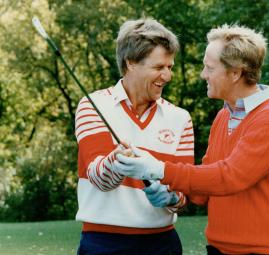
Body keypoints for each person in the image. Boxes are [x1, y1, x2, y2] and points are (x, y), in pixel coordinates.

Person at [113, 24, 269, 255]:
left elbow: (230, 177)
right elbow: (205, 189)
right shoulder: (224, 116)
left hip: (265, 251)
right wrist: (171, 194)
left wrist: (159, 169)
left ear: (235, 73)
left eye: (209, 68)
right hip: (219, 249)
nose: (203, 74)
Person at [74, 18, 194, 255]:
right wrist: (117, 161)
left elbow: (184, 192)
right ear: (131, 63)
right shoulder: (92, 105)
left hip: (163, 244)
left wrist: (171, 197)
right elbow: (100, 180)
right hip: (105, 243)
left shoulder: (180, 118)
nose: (167, 76)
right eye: (159, 67)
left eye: (169, 67)